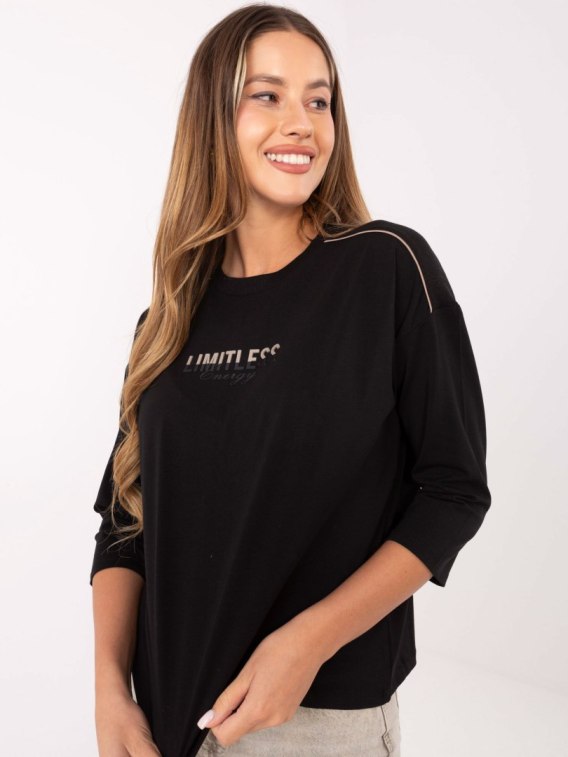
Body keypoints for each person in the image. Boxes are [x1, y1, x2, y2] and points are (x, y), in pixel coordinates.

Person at [90, 4, 492, 756]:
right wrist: (110, 693)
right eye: (267, 95)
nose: (301, 123)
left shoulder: (386, 268)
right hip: (165, 726)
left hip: (312, 722)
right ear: (213, 117)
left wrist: (307, 642)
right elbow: (123, 523)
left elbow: (454, 492)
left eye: (319, 100)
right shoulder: (169, 319)